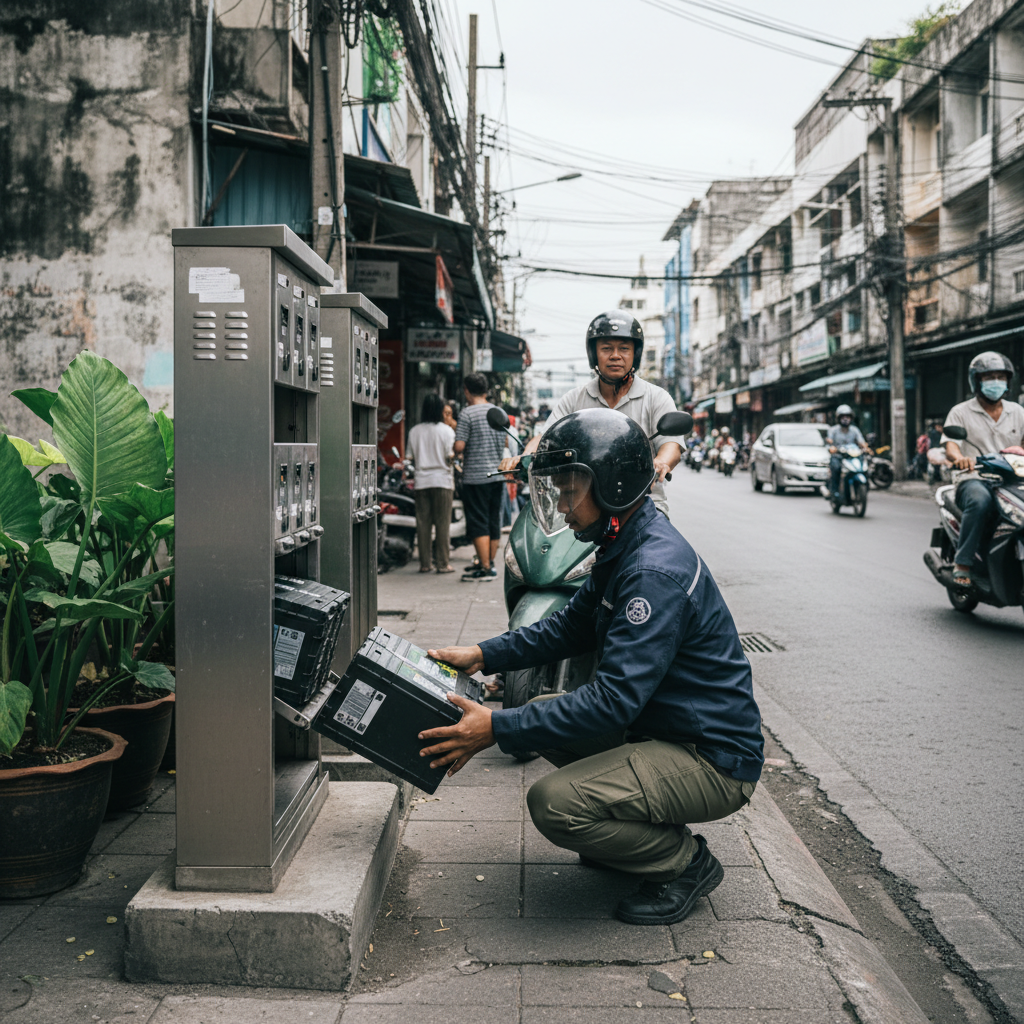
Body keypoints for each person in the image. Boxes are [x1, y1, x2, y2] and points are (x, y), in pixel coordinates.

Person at [418, 409, 764, 926]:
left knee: (553, 803)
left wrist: (495, 727)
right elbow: (568, 628)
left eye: (569, 488)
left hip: (711, 759)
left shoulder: (651, 572)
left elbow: (611, 702)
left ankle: (685, 862)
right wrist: (484, 654)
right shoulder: (622, 543)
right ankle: (627, 838)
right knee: (540, 711)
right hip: (663, 729)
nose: (561, 503)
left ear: (612, 485)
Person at [501, 311, 686, 516]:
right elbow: (546, 438)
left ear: (636, 354)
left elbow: (672, 444)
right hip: (585, 509)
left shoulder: (656, 397)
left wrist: (661, 461)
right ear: (593, 354)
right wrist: (525, 457)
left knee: (660, 546)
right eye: (606, 348)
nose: (615, 355)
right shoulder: (575, 399)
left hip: (644, 504)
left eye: (624, 348)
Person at [942, 351, 1024, 588]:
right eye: (989, 377)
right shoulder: (960, 412)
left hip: (1012, 480)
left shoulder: (1018, 412)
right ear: (976, 381)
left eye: (1001, 377)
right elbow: (951, 447)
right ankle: (963, 562)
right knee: (980, 502)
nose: (996, 382)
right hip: (974, 478)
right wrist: (960, 459)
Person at [454, 373, 506, 580]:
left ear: (467, 390)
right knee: (494, 520)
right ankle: (489, 562)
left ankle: (485, 568)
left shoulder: (467, 414)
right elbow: (505, 443)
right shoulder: (499, 412)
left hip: (476, 477)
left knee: (478, 521)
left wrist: (454, 448)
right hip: (497, 474)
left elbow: (459, 446)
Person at [406, 393, 456, 574]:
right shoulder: (447, 431)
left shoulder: (414, 431)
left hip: (421, 482)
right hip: (442, 481)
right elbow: (450, 456)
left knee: (423, 524)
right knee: (443, 525)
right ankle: (443, 564)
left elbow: (409, 458)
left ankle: (425, 563)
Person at [826, 404, 870, 500]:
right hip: (838, 456)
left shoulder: (855, 430)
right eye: (843, 417)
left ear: (851, 418)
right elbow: (829, 442)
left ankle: (864, 488)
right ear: (839, 418)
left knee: (865, 467)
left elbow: (861, 442)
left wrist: (866, 448)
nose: (845, 419)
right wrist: (832, 447)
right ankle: (834, 491)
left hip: (852, 456)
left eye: (847, 417)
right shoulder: (833, 430)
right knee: (836, 468)